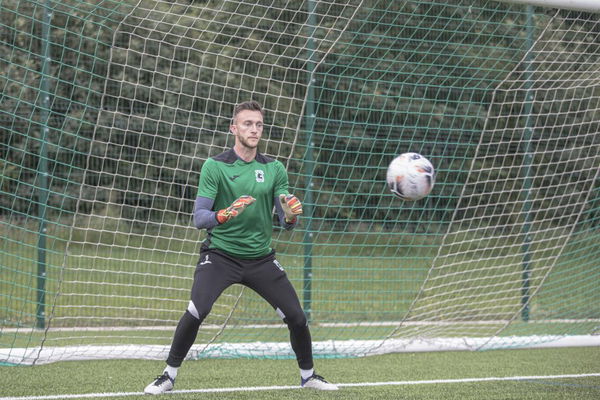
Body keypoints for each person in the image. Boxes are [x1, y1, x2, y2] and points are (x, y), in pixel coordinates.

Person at [144, 100, 338, 394]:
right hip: (221, 256)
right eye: (248, 123)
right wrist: (224, 214)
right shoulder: (215, 166)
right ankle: (168, 376)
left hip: (261, 259)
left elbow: (286, 222)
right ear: (233, 128)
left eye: (259, 124)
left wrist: (291, 214)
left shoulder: (274, 168)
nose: (255, 129)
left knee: (297, 318)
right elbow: (200, 218)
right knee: (198, 309)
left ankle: (308, 376)